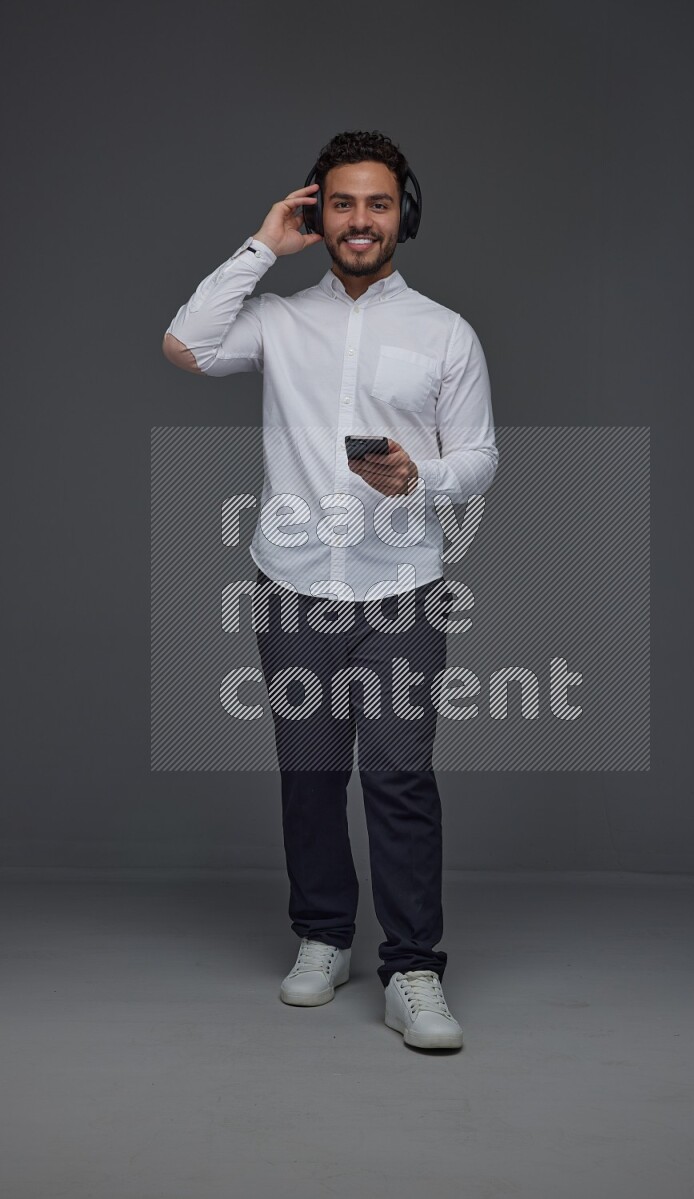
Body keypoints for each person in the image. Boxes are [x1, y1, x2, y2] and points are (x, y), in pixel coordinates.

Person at [163, 130, 498, 1050]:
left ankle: (414, 967)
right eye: (342, 203)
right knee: (310, 774)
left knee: (398, 774)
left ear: (405, 214)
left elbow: (480, 459)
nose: (361, 220)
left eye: (378, 203)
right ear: (319, 210)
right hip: (293, 584)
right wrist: (263, 245)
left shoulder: (444, 332)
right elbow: (186, 345)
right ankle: (321, 935)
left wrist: (419, 480)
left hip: (403, 587)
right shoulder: (277, 320)